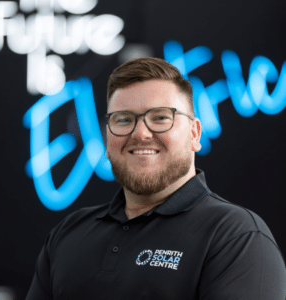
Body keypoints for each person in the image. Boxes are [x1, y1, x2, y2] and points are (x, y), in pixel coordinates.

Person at [25, 57, 286, 300]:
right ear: (106, 138)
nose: (140, 133)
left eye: (161, 117)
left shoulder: (237, 237)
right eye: (124, 119)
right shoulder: (67, 234)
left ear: (195, 134)